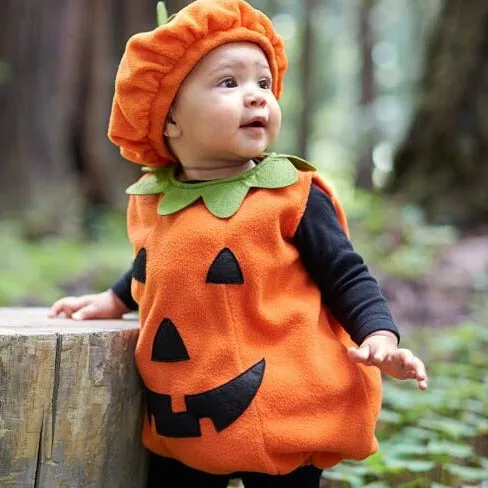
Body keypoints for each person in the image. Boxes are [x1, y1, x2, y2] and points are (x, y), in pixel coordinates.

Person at [48, 0, 428, 486]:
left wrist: (379, 334)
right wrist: (114, 298)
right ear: (168, 119)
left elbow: (345, 273)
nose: (256, 97)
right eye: (229, 82)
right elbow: (154, 261)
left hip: (282, 405)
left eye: (264, 84)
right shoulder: (155, 199)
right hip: (184, 409)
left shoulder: (291, 194)